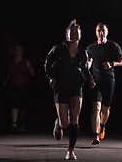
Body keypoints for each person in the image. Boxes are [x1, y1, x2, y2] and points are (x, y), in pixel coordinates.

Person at [44, 19, 93, 160]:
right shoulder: (58, 49)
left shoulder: (84, 52)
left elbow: (85, 69)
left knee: (74, 119)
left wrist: (90, 80)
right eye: (70, 33)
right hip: (61, 87)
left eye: (75, 33)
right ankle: (58, 124)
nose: (73, 35)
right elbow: (47, 63)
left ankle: (71, 150)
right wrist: (51, 77)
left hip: (77, 87)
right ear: (66, 35)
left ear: (80, 35)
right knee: (65, 123)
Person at [87, 22, 122, 145]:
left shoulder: (113, 46)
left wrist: (112, 64)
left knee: (105, 109)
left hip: (109, 81)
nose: (101, 33)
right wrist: (88, 72)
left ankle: (102, 125)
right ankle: (95, 136)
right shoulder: (90, 48)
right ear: (96, 32)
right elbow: (87, 63)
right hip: (95, 81)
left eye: (103, 30)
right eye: (99, 31)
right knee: (96, 107)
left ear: (107, 32)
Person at [3, 45, 34, 132]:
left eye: (19, 50)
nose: (17, 51)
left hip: (24, 86)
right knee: (14, 104)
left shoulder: (25, 61)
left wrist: (30, 68)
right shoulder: (11, 63)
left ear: (22, 52)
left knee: (23, 106)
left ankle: (22, 122)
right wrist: (6, 80)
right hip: (14, 85)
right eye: (16, 50)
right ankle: (14, 123)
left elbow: (32, 73)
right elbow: (10, 72)